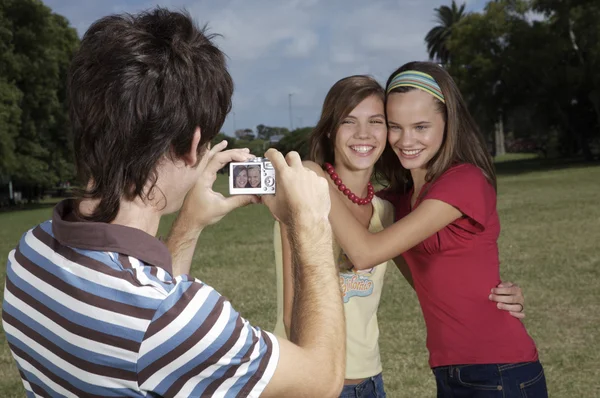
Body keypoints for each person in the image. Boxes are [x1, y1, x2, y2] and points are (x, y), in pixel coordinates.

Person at [1, 8, 347, 397]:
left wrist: (189, 224)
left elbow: (149, 320)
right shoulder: (174, 320)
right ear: (194, 144)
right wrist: (312, 226)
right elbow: (321, 381)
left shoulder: (28, 255)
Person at [275, 75, 528, 398]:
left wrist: (314, 172)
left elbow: (371, 256)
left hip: (493, 369)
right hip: (435, 373)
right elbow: (430, 283)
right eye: (396, 126)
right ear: (330, 129)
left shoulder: (448, 187)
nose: (405, 139)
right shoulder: (389, 203)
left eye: (420, 126)